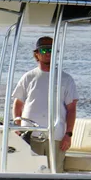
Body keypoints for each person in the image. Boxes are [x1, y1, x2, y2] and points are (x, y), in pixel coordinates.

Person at [11, 36, 78, 172]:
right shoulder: (28, 77)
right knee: (29, 172)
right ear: (37, 54)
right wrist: (17, 127)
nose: (48, 53)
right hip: (30, 136)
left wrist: (68, 135)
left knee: (55, 173)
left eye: (51, 50)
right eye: (44, 50)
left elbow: (71, 109)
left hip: (56, 137)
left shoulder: (66, 79)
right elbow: (18, 104)